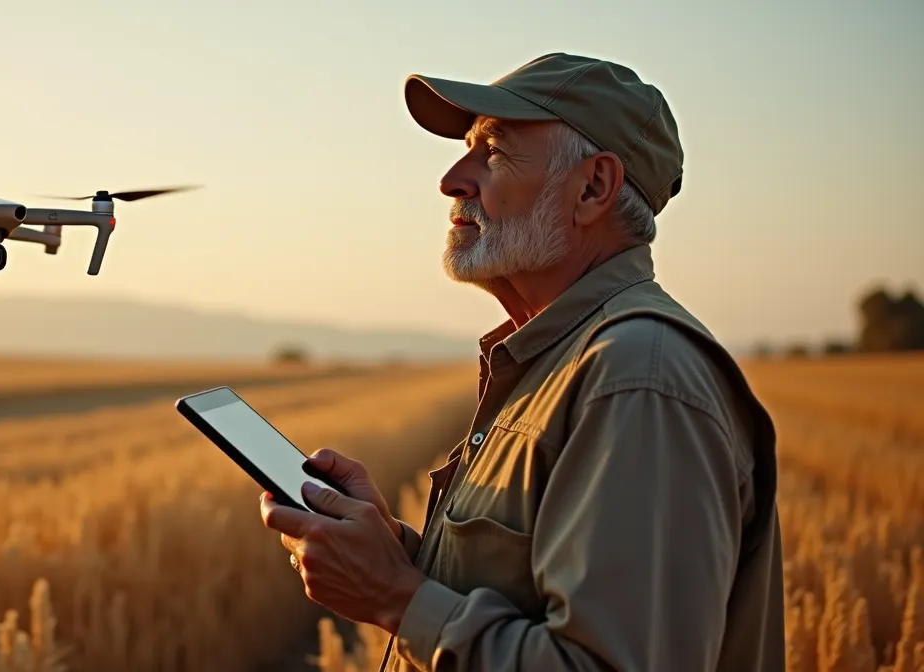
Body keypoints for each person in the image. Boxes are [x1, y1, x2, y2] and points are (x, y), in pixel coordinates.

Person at [259, 52, 786, 671]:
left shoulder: (638, 376)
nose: (452, 178)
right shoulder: (563, 357)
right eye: (465, 149)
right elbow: (524, 597)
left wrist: (394, 595)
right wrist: (395, 552)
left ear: (593, 187)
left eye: (494, 151)